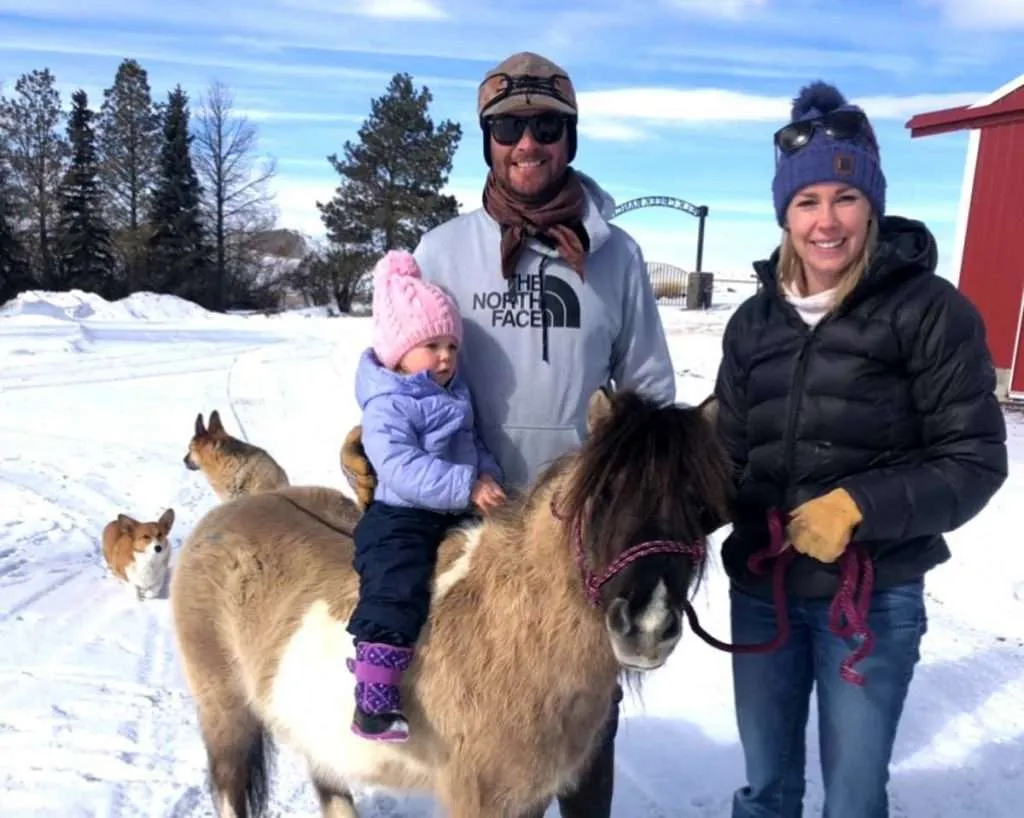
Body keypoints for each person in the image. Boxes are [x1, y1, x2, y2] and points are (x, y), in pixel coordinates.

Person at [341, 51, 676, 817]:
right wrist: (384, 439)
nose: (529, 142)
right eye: (509, 127)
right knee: (492, 721)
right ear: (487, 139)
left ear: (572, 138)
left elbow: (650, 392)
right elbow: (400, 356)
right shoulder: (442, 250)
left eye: (548, 126)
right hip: (465, 521)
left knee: (588, 711)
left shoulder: (618, 258)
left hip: (581, 536)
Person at [714, 79, 1008, 818]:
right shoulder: (753, 323)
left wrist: (857, 505)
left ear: (871, 204)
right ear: (785, 212)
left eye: (845, 199)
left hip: (870, 600)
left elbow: (974, 460)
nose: (826, 222)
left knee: (851, 798)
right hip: (763, 591)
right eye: (807, 202)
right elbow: (724, 456)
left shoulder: (930, 311)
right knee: (765, 789)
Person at [348, 249, 506, 743]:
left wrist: (490, 478)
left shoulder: (454, 392)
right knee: (398, 580)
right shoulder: (388, 403)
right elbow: (400, 467)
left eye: (451, 347)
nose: (445, 357)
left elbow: (472, 443)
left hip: (453, 508)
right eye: (431, 345)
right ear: (398, 352)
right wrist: (466, 485)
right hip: (403, 515)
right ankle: (374, 692)